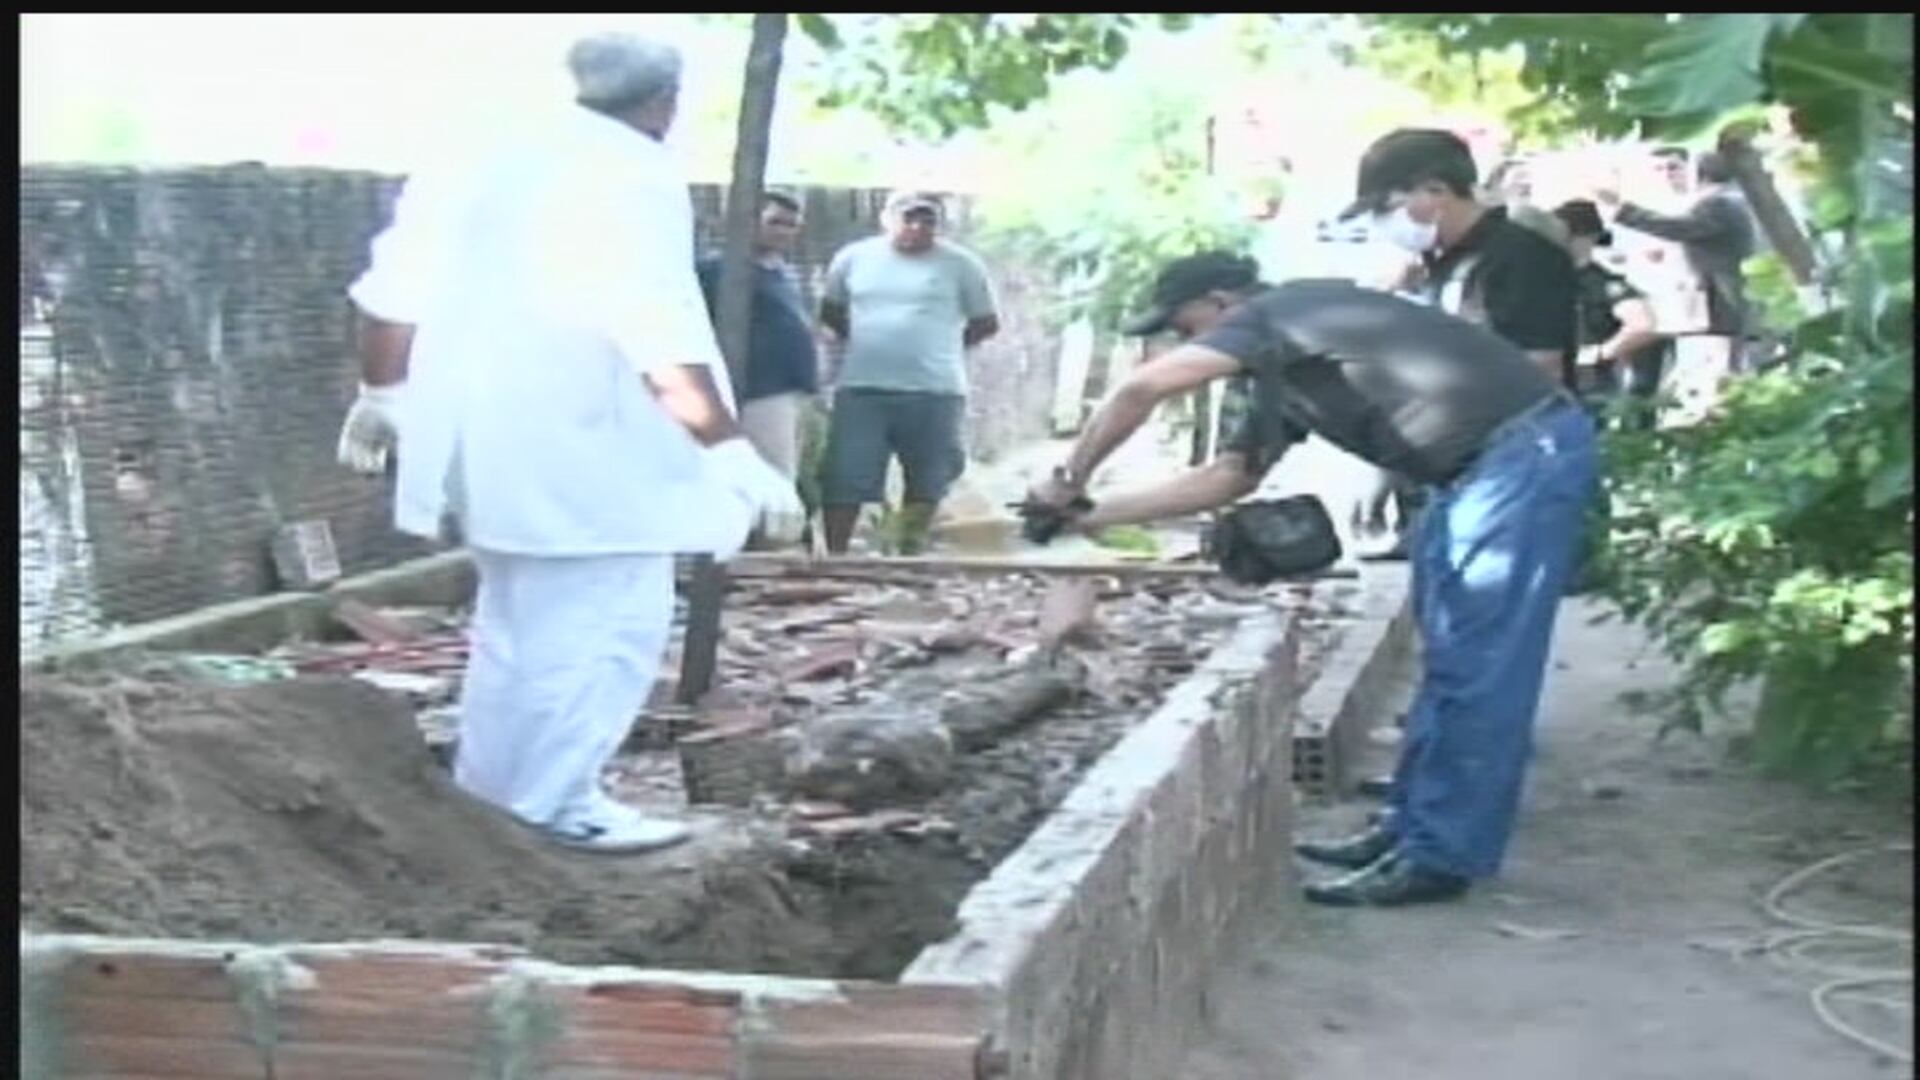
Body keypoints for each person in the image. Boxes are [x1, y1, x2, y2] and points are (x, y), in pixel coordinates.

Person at [333, 33, 804, 854]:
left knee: (517, 628)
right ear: (665, 101)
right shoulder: (632, 172)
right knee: (603, 627)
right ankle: (553, 808)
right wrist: (726, 448)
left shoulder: (477, 157)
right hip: (591, 450)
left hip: (486, 439)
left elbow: (392, 287)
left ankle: (494, 809)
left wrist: (381, 392)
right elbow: (649, 324)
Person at [1022, 252, 1598, 907]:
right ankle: (1411, 831)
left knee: (1481, 665)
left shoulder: (1290, 312)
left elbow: (1142, 389)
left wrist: (1069, 477)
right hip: (1471, 474)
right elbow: (1231, 477)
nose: (1191, 343)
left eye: (1190, 327)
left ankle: (1441, 856)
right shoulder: (1280, 374)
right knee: (1449, 658)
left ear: (1223, 303)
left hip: (1519, 456)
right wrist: (1088, 517)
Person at [1339, 129, 1579, 561]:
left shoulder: (1520, 255)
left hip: (1506, 459)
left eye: (1388, 208)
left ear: (1436, 191)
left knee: (1488, 611)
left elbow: (1540, 368)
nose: (1383, 223)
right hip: (1451, 467)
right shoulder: (1438, 263)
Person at [817, 191, 1001, 555]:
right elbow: (832, 310)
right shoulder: (854, 258)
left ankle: (908, 551)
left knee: (929, 478)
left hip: (935, 389)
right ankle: (835, 556)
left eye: (928, 220)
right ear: (887, 219)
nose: (917, 227)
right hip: (863, 386)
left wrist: (943, 346)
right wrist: (867, 342)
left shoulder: (961, 265)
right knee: (845, 476)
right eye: (909, 218)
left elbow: (986, 322)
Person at [1596, 150, 1759, 417]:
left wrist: (1620, 208)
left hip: (1717, 305)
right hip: (1704, 305)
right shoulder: (1730, 201)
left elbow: (1676, 228)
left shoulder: (1716, 204)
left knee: (1713, 379)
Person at [695, 189, 818, 487]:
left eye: (791, 225)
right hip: (758, 393)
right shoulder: (717, 271)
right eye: (775, 222)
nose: (783, 232)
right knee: (773, 484)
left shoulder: (780, 273)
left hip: (792, 393)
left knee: (787, 477)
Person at [1553, 199, 1665, 413]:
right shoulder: (1541, 278)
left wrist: (1600, 353)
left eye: (1569, 235)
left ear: (1587, 237)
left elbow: (1643, 325)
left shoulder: (1602, 283)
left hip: (1590, 386)